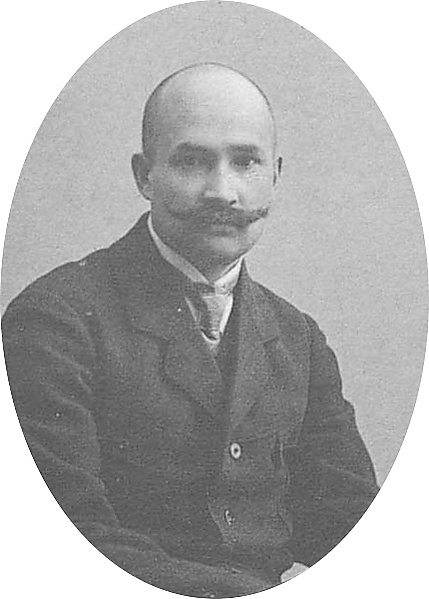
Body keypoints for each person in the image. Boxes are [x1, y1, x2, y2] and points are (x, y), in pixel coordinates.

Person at [2, 63, 379, 597]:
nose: (222, 191)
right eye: (192, 161)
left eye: (245, 162)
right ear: (144, 176)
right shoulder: (56, 320)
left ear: (275, 175)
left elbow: (353, 525)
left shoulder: (298, 339)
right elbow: (68, 539)